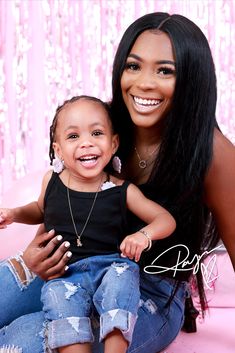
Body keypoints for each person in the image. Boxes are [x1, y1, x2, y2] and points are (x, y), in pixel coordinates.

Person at [0, 11, 235, 353]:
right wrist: (33, 259)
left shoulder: (213, 152)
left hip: (143, 290)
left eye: (165, 71)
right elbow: (64, 200)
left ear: (191, 79)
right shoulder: (105, 124)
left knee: (22, 339)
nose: (144, 83)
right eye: (133, 66)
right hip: (72, 270)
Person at [0, 94, 176, 353]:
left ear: (113, 143)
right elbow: (39, 209)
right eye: (73, 137)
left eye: (96, 133)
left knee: (121, 291)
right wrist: (15, 213)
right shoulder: (52, 182)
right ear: (58, 149)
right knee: (64, 316)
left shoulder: (121, 190)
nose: (86, 143)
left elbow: (165, 219)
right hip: (66, 276)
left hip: (110, 269)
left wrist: (144, 236)